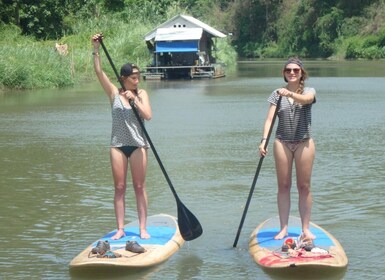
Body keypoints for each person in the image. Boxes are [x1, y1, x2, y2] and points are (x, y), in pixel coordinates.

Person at [91, 33, 152, 240]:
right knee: (119, 187)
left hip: (138, 145)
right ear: (123, 79)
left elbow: (148, 116)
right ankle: (120, 229)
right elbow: (99, 72)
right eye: (133, 78)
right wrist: (96, 49)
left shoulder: (141, 93)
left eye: (138, 77)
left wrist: (134, 100)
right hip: (117, 145)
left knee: (139, 186)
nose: (137, 80)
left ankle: (143, 228)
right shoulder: (113, 93)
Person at [259, 57, 316, 240]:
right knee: (283, 186)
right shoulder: (277, 93)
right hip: (282, 141)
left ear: (302, 74)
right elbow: (269, 120)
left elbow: (307, 100)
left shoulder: (309, 91)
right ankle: (283, 228)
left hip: (304, 142)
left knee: (304, 186)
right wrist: (263, 141)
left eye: (296, 70)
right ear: (284, 73)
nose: (292, 73)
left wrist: (290, 94)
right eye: (288, 70)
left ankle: (305, 229)